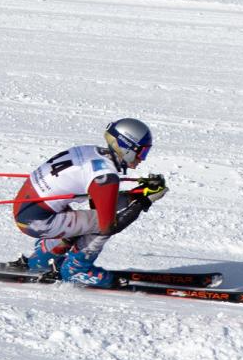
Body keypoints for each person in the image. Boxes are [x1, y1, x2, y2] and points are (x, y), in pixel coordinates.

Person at [13, 118, 167, 287]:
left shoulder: (93, 152)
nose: (142, 159)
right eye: (141, 152)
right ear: (127, 147)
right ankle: (76, 270)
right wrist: (144, 202)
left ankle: (42, 259)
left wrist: (136, 195)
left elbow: (99, 202)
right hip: (37, 221)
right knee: (102, 223)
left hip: (27, 210)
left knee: (86, 222)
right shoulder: (105, 177)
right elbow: (108, 225)